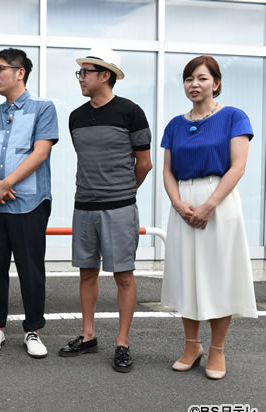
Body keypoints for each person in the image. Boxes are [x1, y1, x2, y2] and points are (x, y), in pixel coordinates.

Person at [160, 55, 257, 380]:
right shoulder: (175, 124)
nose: (194, 84)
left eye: (202, 78)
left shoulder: (233, 117)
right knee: (187, 274)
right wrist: (177, 203)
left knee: (219, 275)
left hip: (220, 202)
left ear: (216, 83)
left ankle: (217, 350)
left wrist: (209, 205)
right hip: (184, 204)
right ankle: (192, 346)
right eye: (189, 79)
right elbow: (168, 171)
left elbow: (238, 167)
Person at [57, 47, 152, 372]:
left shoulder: (132, 113)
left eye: (85, 72)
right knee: (86, 271)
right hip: (83, 206)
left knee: (123, 275)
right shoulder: (76, 117)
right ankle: (88, 335)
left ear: (105, 75)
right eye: (80, 72)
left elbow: (144, 164)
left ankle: (122, 343)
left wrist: (122, 193)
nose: (80, 78)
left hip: (120, 208)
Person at [0, 48, 58, 359]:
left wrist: (6, 184)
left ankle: (33, 330)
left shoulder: (43, 109)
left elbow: (40, 153)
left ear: (20, 72)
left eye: (0, 69)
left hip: (30, 203)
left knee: (30, 269)